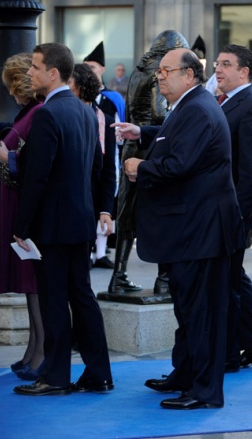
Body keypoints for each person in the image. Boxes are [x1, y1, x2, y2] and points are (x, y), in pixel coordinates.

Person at [115, 48, 244, 410]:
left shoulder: (199, 109)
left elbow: (178, 163)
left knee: (201, 313)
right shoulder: (192, 105)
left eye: (166, 71)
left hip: (200, 231)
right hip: (191, 230)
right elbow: (173, 139)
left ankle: (203, 391)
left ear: (189, 75)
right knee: (188, 310)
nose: (159, 76)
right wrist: (143, 133)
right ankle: (185, 374)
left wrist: (140, 168)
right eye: (158, 72)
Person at [13, 42, 113, 396]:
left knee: (54, 300)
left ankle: (55, 377)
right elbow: (95, 171)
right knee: (82, 297)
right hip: (79, 223)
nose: (29, 73)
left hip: (52, 227)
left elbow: (36, 177)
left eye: (35, 67)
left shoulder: (47, 114)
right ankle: (99, 373)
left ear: (53, 73)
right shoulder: (86, 112)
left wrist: (21, 227)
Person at [108, 30, 189, 295]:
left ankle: (118, 275)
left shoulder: (138, 71)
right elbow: (158, 112)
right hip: (152, 146)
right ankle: (164, 278)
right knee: (159, 211)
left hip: (133, 143)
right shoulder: (159, 72)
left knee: (126, 212)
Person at [214, 44, 252, 372]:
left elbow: (251, 170)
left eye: (226, 64)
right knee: (234, 278)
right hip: (221, 211)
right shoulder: (222, 103)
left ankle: (228, 355)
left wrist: (236, 216)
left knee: (226, 283)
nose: (217, 69)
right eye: (216, 63)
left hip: (233, 213)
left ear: (244, 72)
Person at [0, 53, 44, 380]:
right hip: (15, 202)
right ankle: (34, 350)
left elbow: (31, 165)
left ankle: (40, 354)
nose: (11, 92)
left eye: (14, 85)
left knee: (33, 282)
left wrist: (6, 158)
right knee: (29, 285)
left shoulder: (38, 112)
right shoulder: (28, 111)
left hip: (25, 207)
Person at [69, 63, 117, 270]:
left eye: (68, 82)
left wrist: (106, 210)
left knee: (79, 274)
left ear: (79, 86)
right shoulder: (63, 114)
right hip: (65, 201)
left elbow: (108, 170)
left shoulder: (103, 120)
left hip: (90, 201)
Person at [83, 41, 125, 269]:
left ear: (102, 69)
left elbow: (119, 129)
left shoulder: (112, 99)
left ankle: (101, 251)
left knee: (106, 201)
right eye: (86, 66)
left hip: (109, 158)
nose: (90, 69)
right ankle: (90, 251)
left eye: (94, 66)